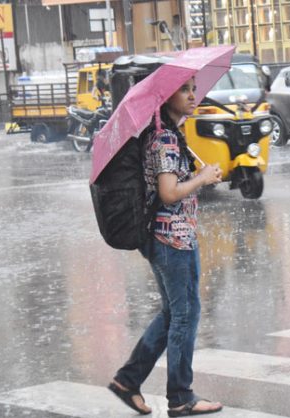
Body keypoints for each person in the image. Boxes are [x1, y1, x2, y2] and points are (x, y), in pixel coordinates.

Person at [108, 77, 224, 417]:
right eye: (184, 89)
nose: (193, 95)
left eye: (194, 88)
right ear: (165, 96)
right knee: (186, 314)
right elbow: (169, 193)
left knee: (174, 313)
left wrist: (197, 173)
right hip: (172, 238)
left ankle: (128, 381)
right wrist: (202, 178)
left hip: (165, 236)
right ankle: (180, 396)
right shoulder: (164, 138)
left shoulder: (166, 135)